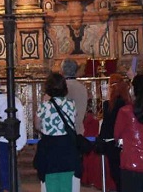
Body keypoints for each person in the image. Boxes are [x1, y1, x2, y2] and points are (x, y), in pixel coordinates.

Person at [34, 72, 82, 192]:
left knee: (51, 183)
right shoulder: (71, 104)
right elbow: (74, 122)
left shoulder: (44, 106)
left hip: (50, 150)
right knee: (67, 184)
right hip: (67, 149)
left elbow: (37, 125)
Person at [97, 73, 131, 192]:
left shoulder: (108, 105)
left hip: (112, 141)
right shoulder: (128, 103)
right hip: (126, 141)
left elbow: (106, 125)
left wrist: (101, 139)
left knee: (115, 172)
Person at [61, 59, 88, 191]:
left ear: (62, 70)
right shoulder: (82, 87)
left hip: (64, 134)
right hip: (78, 132)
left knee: (64, 170)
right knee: (75, 171)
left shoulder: (62, 88)